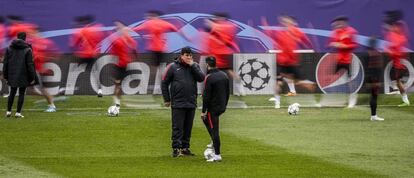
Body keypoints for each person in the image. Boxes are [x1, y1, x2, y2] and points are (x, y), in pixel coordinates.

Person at [261, 15, 314, 108]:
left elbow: (306, 42)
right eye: (283, 21)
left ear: (292, 22)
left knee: (296, 81)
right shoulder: (280, 32)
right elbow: (270, 35)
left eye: (286, 21)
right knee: (279, 82)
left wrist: (309, 47)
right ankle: (277, 103)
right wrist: (265, 26)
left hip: (292, 62)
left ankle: (308, 85)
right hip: (282, 62)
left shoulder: (297, 32)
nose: (284, 22)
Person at [161, 47, 205, 157]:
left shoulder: (194, 66)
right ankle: (176, 149)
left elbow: (201, 78)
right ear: (181, 55)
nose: (189, 57)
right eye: (187, 55)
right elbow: (164, 83)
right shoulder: (172, 67)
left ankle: (185, 148)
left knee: (188, 127)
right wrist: (167, 99)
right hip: (177, 102)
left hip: (191, 101)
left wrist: (193, 66)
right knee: (177, 127)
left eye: (190, 55)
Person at [133, 10, 186, 94]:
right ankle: (163, 86)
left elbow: (135, 29)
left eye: (148, 16)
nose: (147, 18)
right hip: (162, 50)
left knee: (156, 69)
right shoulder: (164, 23)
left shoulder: (149, 23)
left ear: (153, 16)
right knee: (162, 69)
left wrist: (125, 30)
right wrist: (185, 36)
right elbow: (176, 29)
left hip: (154, 50)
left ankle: (159, 87)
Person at [205, 13, 244, 96]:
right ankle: (238, 87)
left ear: (222, 18)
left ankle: (210, 91)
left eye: (218, 17)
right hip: (220, 53)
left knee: (212, 72)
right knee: (228, 70)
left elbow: (210, 25)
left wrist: (209, 21)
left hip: (220, 54)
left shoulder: (225, 26)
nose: (216, 19)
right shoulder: (226, 26)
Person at [201, 56, 230, 162]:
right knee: (206, 122)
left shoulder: (209, 77)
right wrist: (225, 105)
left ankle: (217, 154)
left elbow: (206, 96)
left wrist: (204, 111)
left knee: (214, 130)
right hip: (221, 106)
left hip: (213, 108)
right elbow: (227, 92)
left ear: (207, 65)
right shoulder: (224, 75)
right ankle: (213, 141)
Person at [3, 32, 37, 118]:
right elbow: (30, 64)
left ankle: (8, 111)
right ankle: (18, 113)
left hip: (12, 74)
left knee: (12, 93)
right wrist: (32, 77)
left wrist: (5, 75)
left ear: (17, 37)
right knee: (21, 93)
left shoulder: (9, 48)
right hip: (23, 74)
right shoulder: (28, 49)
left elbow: (5, 63)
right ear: (25, 38)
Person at [69, 15, 105, 97]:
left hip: (84, 55)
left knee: (73, 69)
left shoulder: (81, 31)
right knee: (95, 72)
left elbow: (74, 44)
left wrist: (74, 51)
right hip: (93, 54)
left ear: (83, 22)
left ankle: (69, 87)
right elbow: (99, 41)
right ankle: (99, 90)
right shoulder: (96, 30)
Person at [328, 16, 358, 108]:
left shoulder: (352, 31)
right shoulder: (335, 32)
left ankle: (352, 98)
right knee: (331, 76)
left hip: (347, 60)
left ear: (345, 22)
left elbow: (355, 45)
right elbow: (331, 43)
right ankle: (335, 99)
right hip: (339, 59)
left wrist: (343, 45)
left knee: (349, 79)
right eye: (337, 23)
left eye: (340, 22)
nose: (338, 24)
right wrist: (332, 44)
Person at [383, 11, 410, 107]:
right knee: (398, 82)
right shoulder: (393, 35)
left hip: (399, 63)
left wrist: (388, 50)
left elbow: (396, 51)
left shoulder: (399, 37)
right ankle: (404, 98)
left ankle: (405, 99)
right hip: (397, 62)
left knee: (398, 81)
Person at [109, 20, 137, 109]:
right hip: (121, 63)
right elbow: (133, 47)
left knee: (118, 84)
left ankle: (117, 102)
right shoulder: (120, 38)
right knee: (118, 84)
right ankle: (117, 102)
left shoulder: (116, 38)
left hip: (121, 64)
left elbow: (133, 47)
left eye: (119, 26)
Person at [364, 37, 384, 121]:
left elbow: (366, 67)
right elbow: (378, 68)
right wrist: (378, 81)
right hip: (374, 78)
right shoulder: (377, 53)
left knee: (372, 96)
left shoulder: (366, 54)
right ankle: (373, 116)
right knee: (374, 96)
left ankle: (373, 115)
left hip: (369, 77)